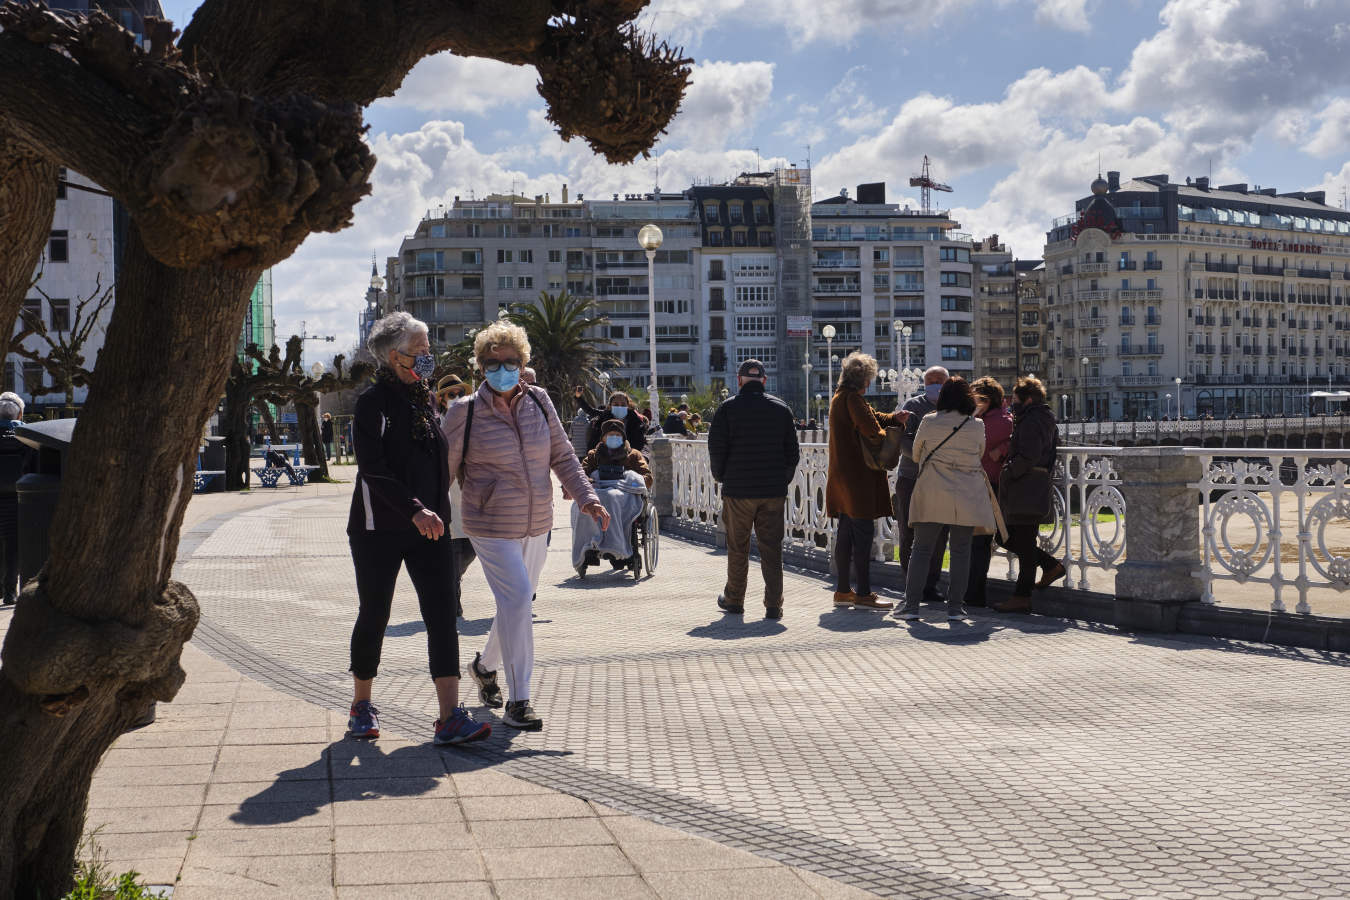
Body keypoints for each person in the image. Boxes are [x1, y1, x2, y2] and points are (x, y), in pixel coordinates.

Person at [443, 320, 608, 730]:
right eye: (493, 363)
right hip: (490, 523)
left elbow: (563, 455)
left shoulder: (539, 400)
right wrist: (424, 515)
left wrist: (587, 496)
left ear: (522, 363)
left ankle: (484, 667)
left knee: (515, 604)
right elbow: (441, 472)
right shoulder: (464, 412)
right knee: (518, 600)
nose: (502, 369)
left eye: (511, 362)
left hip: (537, 521)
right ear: (480, 366)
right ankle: (520, 701)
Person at [346, 312, 488, 746]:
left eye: (428, 349)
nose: (429, 356)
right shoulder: (372, 404)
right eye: (421, 350)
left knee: (443, 614)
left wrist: (441, 511)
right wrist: (415, 510)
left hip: (430, 527)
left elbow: (436, 464)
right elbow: (373, 469)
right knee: (375, 613)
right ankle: (361, 705)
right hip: (378, 528)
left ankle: (449, 716)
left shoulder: (424, 399)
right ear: (395, 356)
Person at [897, 377, 1003, 622]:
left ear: (943, 397)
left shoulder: (929, 420)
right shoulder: (976, 425)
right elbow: (979, 452)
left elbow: (916, 454)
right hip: (967, 492)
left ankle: (911, 607)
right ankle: (955, 608)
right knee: (961, 551)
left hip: (933, 489)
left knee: (921, 549)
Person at [708, 359, 800, 619]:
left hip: (738, 491)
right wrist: (781, 481)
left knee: (738, 547)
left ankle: (735, 600)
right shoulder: (781, 409)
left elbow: (716, 448)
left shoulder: (727, 408)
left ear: (739, 381)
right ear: (764, 381)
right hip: (772, 492)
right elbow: (792, 453)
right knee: (772, 548)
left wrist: (722, 477)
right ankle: (774, 605)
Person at [824, 353, 908, 610]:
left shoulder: (840, 397)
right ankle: (863, 593)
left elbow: (872, 416)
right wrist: (892, 437)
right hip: (858, 479)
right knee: (863, 535)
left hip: (842, 477)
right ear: (864, 380)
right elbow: (871, 429)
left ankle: (842, 592)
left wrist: (893, 418)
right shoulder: (853, 399)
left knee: (845, 534)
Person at [994, 376, 1066, 613]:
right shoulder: (1038, 417)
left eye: (1015, 399)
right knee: (1009, 538)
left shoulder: (1033, 420)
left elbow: (1030, 454)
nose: (1011, 402)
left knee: (1019, 542)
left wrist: (1009, 471)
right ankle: (1050, 566)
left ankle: (1022, 596)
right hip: (1029, 487)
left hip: (1026, 487)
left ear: (1028, 400)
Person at [894, 366, 950, 604]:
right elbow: (902, 440)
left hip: (942, 481)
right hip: (911, 478)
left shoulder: (953, 408)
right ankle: (911, 584)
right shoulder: (913, 406)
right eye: (930, 381)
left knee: (939, 535)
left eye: (940, 380)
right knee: (909, 533)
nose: (935, 384)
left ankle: (931, 584)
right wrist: (923, 457)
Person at [575, 419, 654, 574]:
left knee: (611, 498)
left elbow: (647, 478)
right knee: (584, 504)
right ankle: (588, 546)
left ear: (623, 437)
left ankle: (616, 547)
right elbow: (581, 474)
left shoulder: (633, 455)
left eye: (618, 435)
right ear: (603, 438)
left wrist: (631, 480)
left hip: (625, 497)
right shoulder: (594, 455)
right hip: (599, 491)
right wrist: (590, 481)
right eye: (610, 435)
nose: (614, 438)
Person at [966, 377, 1013, 608]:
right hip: (973, 485)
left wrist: (1003, 448)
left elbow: (1018, 440)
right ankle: (971, 593)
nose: (975, 401)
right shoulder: (977, 418)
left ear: (991, 400)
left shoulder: (1002, 420)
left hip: (989, 487)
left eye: (980, 398)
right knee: (975, 542)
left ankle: (974, 595)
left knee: (980, 542)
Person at [436, 374, 475, 616]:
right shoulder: (435, 427)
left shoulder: (475, 424)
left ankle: (451, 584)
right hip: (447, 500)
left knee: (470, 551)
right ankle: (452, 600)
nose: (457, 397)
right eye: (451, 394)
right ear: (442, 399)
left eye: (460, 393)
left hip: (473, 501)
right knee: (453, 555)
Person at [0, 393, 30, 606]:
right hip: (18, 498)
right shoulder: (27, 436)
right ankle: (10, 591)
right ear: (20, 414)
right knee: (13, 544)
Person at [575, 386, 647, 453]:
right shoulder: (603, 417)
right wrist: (578, 397)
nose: (619, 407)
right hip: (605, 458)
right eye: (616, 404)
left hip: (629, 458)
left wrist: (638, 456)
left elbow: (642, 445)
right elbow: (590, 411)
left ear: (628, 406)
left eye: (623, 405)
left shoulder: (635, 422)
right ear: (610, 406)